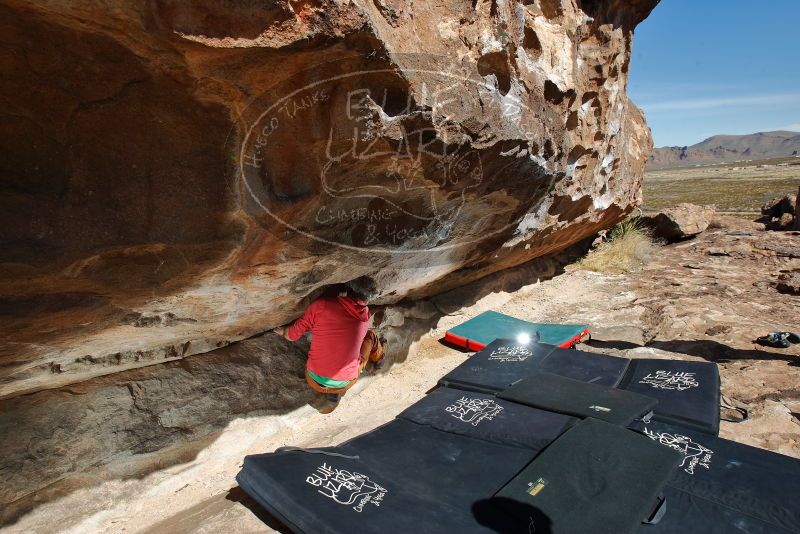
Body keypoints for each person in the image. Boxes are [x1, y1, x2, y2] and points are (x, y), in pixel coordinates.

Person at [273, 276, 385, 413]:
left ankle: (331, 389)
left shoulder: (321, 306)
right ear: (367, 299)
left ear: (346, 288)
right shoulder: (364, 317)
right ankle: (379, 359)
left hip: (313, 380)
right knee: (371, 336)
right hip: (345, 383)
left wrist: (283, 331)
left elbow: (292, 336)